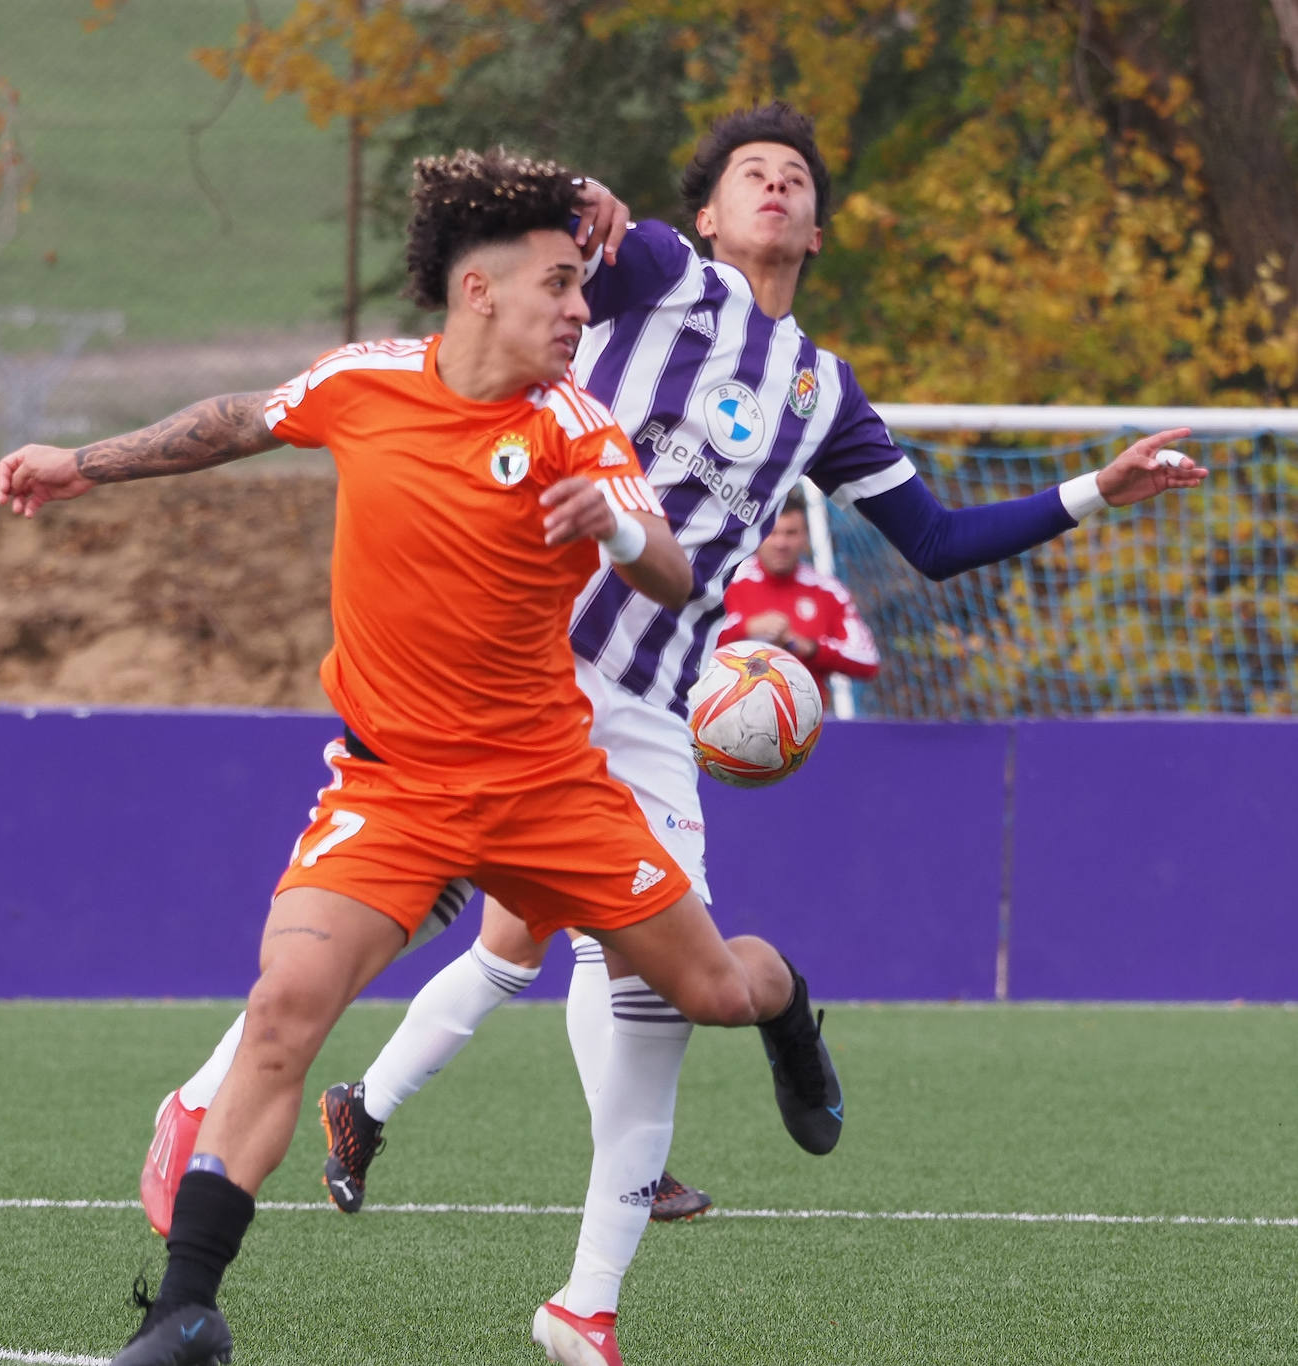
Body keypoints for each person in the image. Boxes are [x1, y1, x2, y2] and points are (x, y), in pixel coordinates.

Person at [133, 105, 1207, 1366]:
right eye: (752, 171)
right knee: (395, 906)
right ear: (702, 212)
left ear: (817, 225)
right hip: (505, 663)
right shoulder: (654, 272)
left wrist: (1096, 492)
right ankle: (210, 1107)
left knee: (655, 985)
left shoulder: (822, 391)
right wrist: (579, 198)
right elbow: (581, 221)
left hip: (642, 710)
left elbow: (936, 541)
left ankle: (589, 1292)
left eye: (796, 178)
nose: (775, 186)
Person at [0, 147, 846, 1366]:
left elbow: (666, 566)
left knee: (712, 990)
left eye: (582, 285)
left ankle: (790, 1005)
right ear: (478, 292)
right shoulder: (364, 383)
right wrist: (80, 463)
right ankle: (187, 1308)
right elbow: (237, 421)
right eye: (559, 286)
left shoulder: (577, 426)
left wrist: (616, 521)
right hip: (394, 788)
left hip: (553, 792)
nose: (579, 308)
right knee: (284, 1007)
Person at [719, 483, 880, 700]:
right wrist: (746, 628)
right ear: (758, 535)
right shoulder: (725, 581)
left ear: (805, 537)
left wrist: (810, 647)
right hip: (725, 714)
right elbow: (686, 642)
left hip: (803, 724)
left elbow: (868, 660)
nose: (781, 543)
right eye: (772, 533)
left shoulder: (828, 591)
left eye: (791, 533)